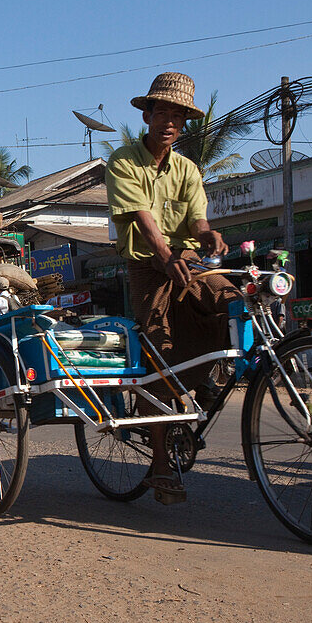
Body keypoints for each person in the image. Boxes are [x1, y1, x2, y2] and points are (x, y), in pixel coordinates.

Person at [105, 72, 239, 504]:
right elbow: (144, 222)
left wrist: (209, 236)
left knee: (232, 300)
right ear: (147, 115)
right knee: (157, 355)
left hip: (187, 261)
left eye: (177, 115)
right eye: (161, 111)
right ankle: (160, 462)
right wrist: (167, 259)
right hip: (148, 265)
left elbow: (197, 219)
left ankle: (214, 375)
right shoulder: (124, 161)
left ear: (184, 123)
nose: (168, 121)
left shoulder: (187, 169)